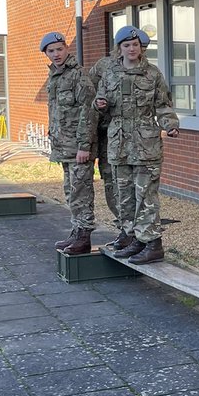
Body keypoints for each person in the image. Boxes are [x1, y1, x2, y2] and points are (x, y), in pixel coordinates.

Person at [94, 25, 180, 264]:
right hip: (119, 141)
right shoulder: (110, 74)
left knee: (146, 194)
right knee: (124, 194)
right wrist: (99, 104)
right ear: (119, 49)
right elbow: (100, 101)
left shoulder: (152, 74)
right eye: (127, 45)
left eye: (136, 45)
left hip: (145, 142)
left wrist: (170, 124)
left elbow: (163, 104)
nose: (132, 49)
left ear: (141, 48)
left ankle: (152, 243)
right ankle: (134, 238)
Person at [40, 30, 97, 255]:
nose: (56, 54)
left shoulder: (78, 76)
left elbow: (88, 111)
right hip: (63, 146)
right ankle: (76, 231)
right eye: (51, 51)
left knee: (81, 191)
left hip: (78, 147)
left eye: (60, 49)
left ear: (67, 49)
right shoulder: (55, 77)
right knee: (70, 191)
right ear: (46, 53)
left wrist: (84, 145)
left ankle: (84, 236)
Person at [88, 46, 122, 248]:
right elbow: (90, 97)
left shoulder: (148, 70)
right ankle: (124, 229)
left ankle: (137, 232)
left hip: (131, 139)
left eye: (139, 46)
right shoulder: (103, 66)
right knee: (111, 181)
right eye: (125, 44)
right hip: (107, 135)